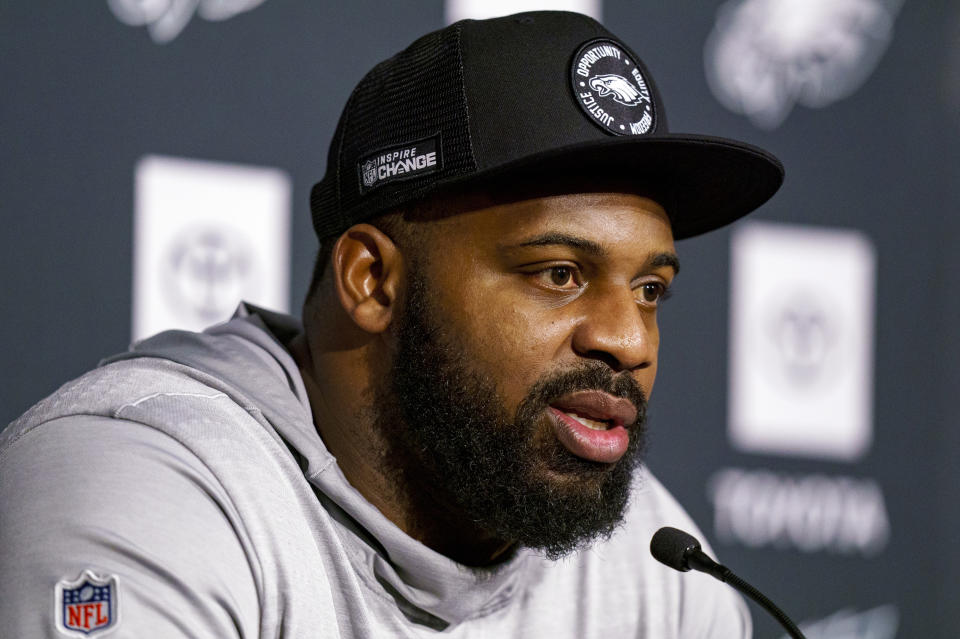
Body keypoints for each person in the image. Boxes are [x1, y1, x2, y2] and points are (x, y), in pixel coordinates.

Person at [0, 10, 783, 638]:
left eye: (650, 288)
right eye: (559, 273)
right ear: (371, 280)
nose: (629, 340)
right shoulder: (152, 490)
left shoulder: (653, 565)